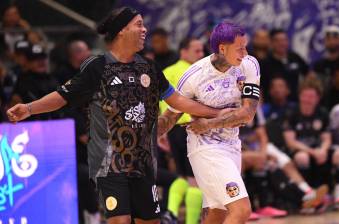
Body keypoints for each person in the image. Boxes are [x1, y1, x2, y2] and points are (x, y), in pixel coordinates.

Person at [7, 7, 222, 224]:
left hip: (144, 162)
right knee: (119, 220)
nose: (145, 29)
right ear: (121, 30)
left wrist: (217, 113)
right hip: (108, 162)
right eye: (139, 24)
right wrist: (29, 108)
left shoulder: (149, 67)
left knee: (150, 222)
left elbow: (178, 101)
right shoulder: (97, 67)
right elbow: (63, 96)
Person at [158, 22, 259, 224]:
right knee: (241, 210)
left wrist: (209, 123)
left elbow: (248, 114)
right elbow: (171, 116)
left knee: (217, 213)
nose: (245, 52)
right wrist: (145, 134)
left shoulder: (249, 65)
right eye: (240, 48)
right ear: (222, 48)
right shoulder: (194, 76)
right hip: (204, 148)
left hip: (231, 145)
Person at [159, 37, 204, 224]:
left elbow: (155, 103)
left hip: (171, 129)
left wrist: (160, 132)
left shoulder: (166, 72)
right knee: (196, 180)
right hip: (191, 128)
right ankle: (191, 222)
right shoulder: (196, 72)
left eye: (202, 51)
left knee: (182, 177)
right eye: (197, 51)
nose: (202, 55)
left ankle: (170, 212)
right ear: (183, 52)